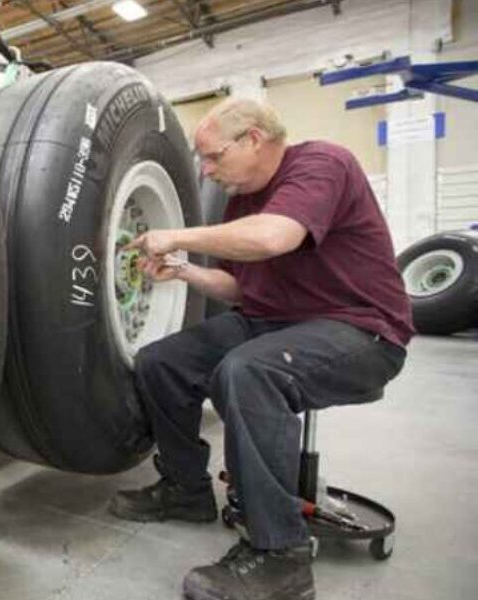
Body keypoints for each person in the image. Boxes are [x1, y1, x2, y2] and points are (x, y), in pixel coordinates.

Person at [108, 98, 414, 600]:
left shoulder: (321, 164)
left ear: (253, 138)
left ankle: (281, 555)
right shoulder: (243, 198)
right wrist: (182, 268)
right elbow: (241, 290)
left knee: (248, 371)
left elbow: (274, 238)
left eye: (212, 157)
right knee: (162, 361)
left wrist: (174, 235)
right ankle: (185, 490)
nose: (206, 170)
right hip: (274, 323)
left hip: (361, 333)